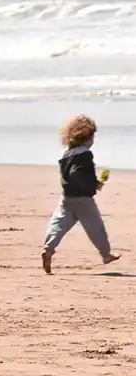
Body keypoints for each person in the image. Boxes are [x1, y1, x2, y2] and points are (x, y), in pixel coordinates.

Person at [42, 115, 120, 274]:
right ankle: (106, 254)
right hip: (83, 198)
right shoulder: (85, 154)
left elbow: (68, 175)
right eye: (92, 137)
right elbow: (77, 173)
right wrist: (93, 185)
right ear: (86, 138)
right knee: (95, 227)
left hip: (67, 197)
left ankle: (48, 248)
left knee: (58, 224)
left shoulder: (66, 154)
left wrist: (92, 182)